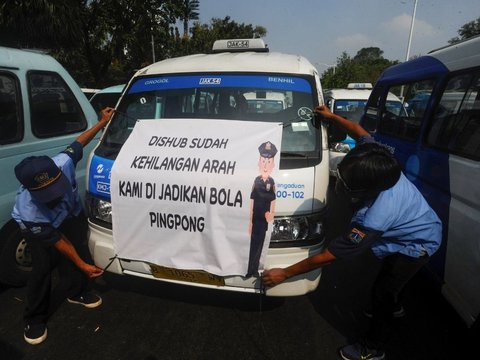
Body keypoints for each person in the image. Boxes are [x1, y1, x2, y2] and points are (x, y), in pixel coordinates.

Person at [262, 105, 442, 360]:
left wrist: (285, 273)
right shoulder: (373, 159)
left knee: (383, 294)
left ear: (368, 188)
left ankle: (373, 347)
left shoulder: (375, 217)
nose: (342, 185)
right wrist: (332, 117)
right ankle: (396, 303)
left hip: (416, 244)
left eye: (347, 185)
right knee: (391, 278)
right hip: (409, 228)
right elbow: (360, 132)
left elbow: (332, 253)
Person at [11, 107, 115, 345]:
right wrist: (84, 265)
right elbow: (59, 242)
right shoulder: (29, 210)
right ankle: (34, 318)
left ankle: (76, 292)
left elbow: (79, 142)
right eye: (46, 194)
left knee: (76, 250)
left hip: (70, 214)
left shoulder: (63, 161)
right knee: (43, 268)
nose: (54, 195)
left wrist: (102, 122)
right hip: (44, 227)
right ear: (31, 191)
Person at [247, 141, 277, 276]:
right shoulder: (256, 180)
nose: (265, 165)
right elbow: (251, 200)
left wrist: (272, 213)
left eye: (269, 162)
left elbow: (274, 199)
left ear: (273, 164)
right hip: (255, 219)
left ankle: (255, 269)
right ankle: (249, 269)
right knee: (252, 245)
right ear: (259, 162)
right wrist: (249, 222)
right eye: (263, 161)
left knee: (260, 244)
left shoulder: (272, 182)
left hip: (263, 220)